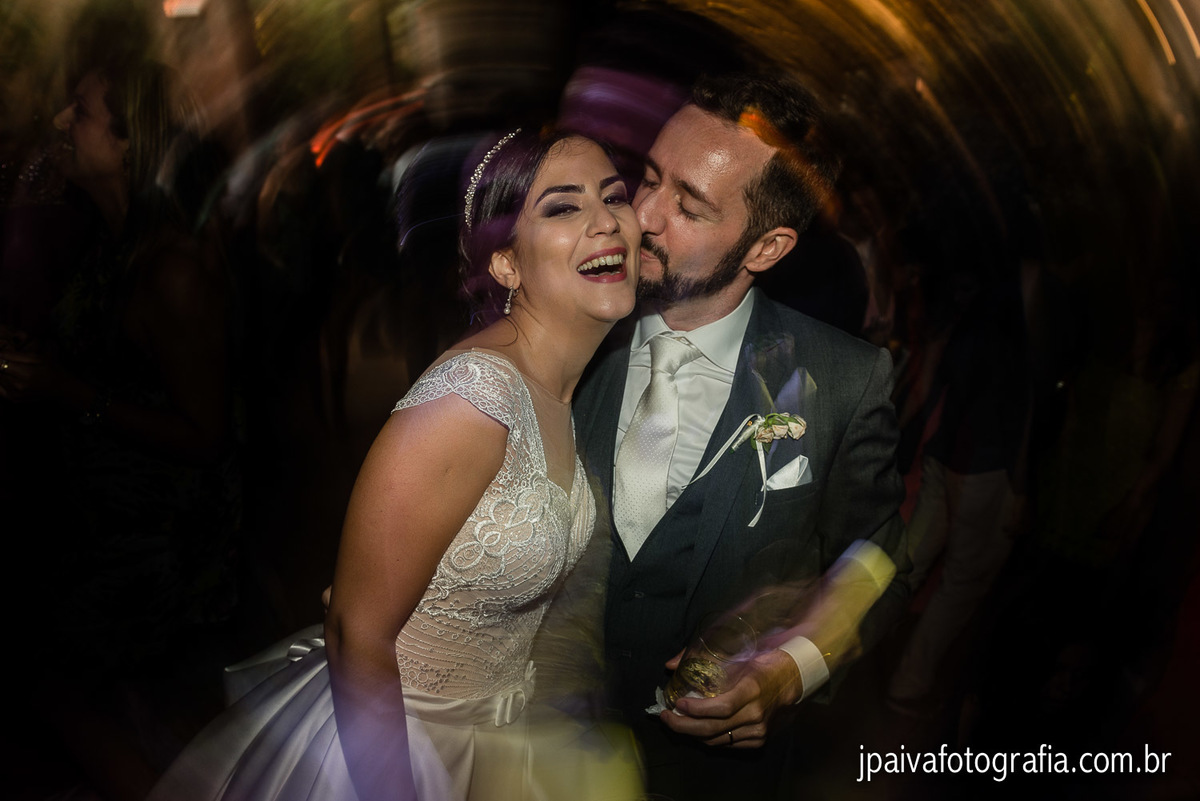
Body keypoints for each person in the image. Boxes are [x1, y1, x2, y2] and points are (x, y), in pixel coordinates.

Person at [149, 129, 643, 801]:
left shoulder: (557, 388)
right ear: (505, 264)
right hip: (394, 744)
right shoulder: (471, 399)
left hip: (495, 744)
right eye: (563, 206)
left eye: (614, 196)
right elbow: (357, 631)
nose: (606, 220)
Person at [573, 73, 909, 800]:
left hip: (712, 779)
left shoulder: (842, 381)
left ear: (766, 247)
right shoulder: (565, 331)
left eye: (689, 205)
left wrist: (789, 671)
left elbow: (875, 557)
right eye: (649, 179)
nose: (642, 216)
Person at [1, 56, 236, 801]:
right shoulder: (106, 245)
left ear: (132, 140)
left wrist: (68, 391)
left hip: (157, 552)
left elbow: (206, 434)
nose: (60, 122)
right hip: (96, 529)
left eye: (81, 111)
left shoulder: (172, 267)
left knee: (59, 689)